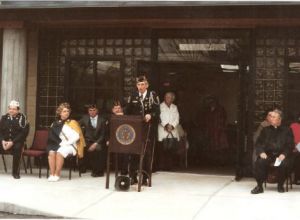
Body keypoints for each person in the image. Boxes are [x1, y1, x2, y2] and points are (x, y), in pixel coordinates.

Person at [125, 75, 160, 185]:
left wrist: (151, 115)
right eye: (139, 84)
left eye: (143, 84)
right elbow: (128, 111)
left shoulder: (152, 96)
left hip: (148, 128)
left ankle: (145, 177)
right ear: (136, 85)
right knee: (133, 151)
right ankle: (132, 176)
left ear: (147, 85)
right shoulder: (133, 95)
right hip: (135, 128)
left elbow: (157, 112)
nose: (140, 86)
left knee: (147, 152)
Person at [251, 109, 294, 194]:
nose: (271, 118)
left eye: (274, 117)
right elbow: (258, 143)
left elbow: (290, 145)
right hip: (268, 155)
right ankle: (259, 186)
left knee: (284, 163)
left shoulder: (287, 130)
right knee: (260, 162)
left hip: (281, 155)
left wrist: (284, 154)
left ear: (279, 119)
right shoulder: (265, 130)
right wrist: (261, 152)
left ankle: (280, 185)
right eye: (271, 117)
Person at [47, 102, 85, 181]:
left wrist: (65, 143)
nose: (66, 113)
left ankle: (57, 174)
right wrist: (57, 144)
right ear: (60, 113)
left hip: (71, 145)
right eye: (64, 111)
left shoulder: (73, 123)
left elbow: (77, 137)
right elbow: (52, 136)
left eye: (68, 111)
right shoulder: (55, 123)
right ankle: (52, 174)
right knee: (51, 152)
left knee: (60, 152)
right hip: (59, 144)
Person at [0, 100, 29, 179]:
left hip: (17, 142)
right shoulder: (4, 118)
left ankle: (15, 172)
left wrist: (12, 142)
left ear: (18, 110)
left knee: (17, 148)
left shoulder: (23, 119)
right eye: (10, 108)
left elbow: (23, 134)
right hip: (4, 142)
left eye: (14, 109)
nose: (11, 110)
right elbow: (0, 131)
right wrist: (2, 141)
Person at [79, 104, 106, 177]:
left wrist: (95, 143)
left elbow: (103, 135)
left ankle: (98, 171)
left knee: (98, 149)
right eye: (90, 110)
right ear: (88, 111)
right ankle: (84, 168)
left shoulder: (102, 120)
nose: (92, 112)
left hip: (98, 141)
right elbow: (77, 125)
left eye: (94, 110)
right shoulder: (85, 118)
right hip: (88, 141)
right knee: (83, 147)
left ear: (97, 111)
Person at [158, 92, 180, 170]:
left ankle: (170, 166)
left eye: (169, 97)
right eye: (166, 97)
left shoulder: (175, 107)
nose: (167, 98)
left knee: (171, 148)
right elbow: (160, 118)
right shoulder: (160, 106)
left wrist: (172, 126)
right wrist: (166, 125)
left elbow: (177, 118)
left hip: (172, 130)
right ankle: (162, 166)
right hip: (163, 130)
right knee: (163, 148)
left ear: (172, 99)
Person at [290, 112, 300, 184]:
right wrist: (295, 146)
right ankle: (297, 178)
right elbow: (290, 139)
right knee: (297, 157)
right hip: (294, 148)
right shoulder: (293, 126)